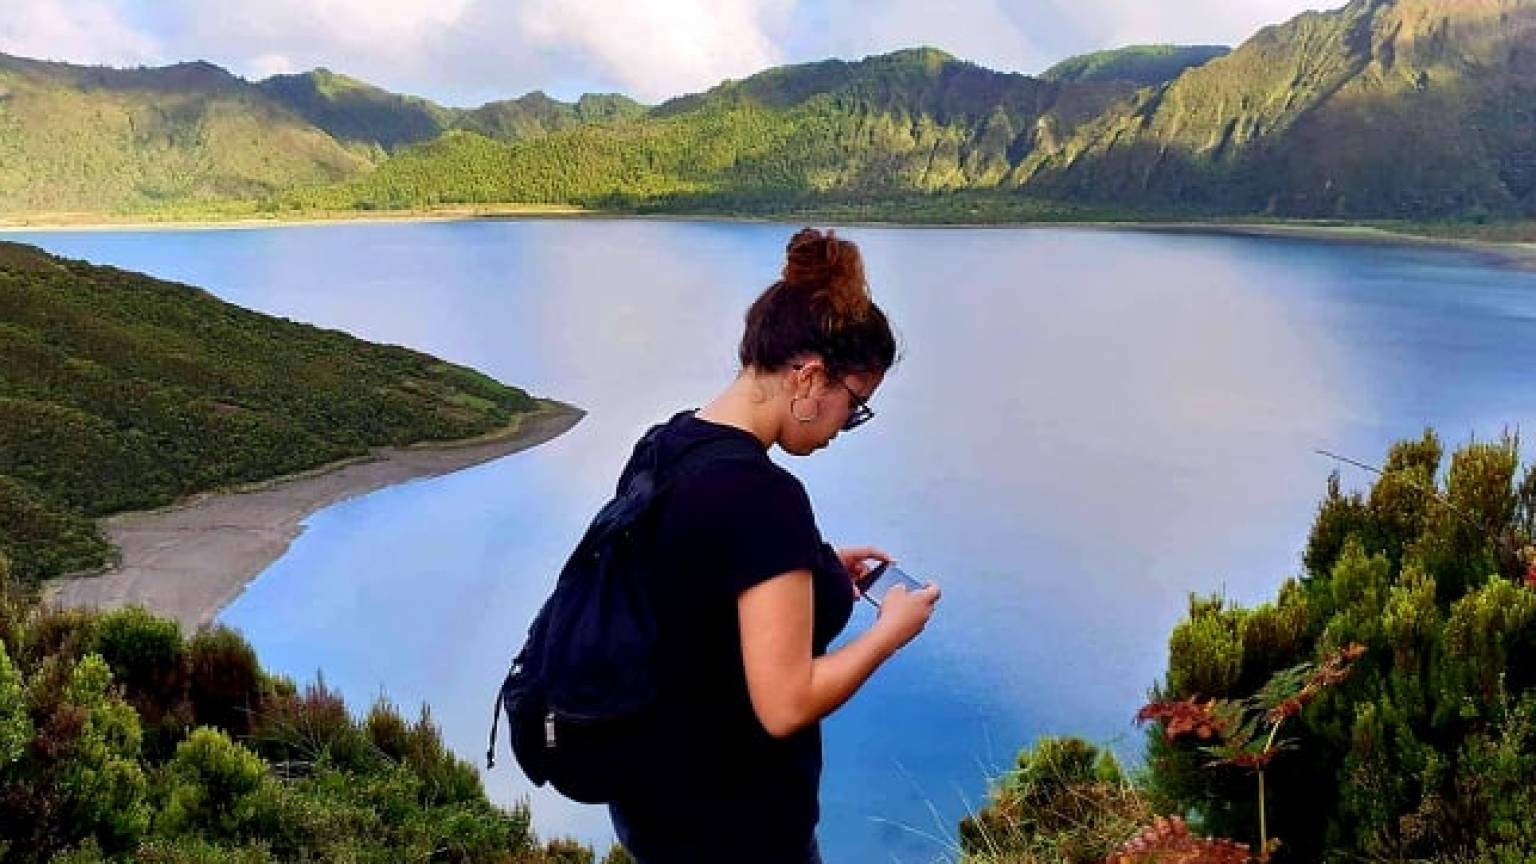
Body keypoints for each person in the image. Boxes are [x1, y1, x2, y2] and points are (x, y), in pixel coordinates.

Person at [606, 228, 942, 863]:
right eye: (857, 405)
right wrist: (889, 634)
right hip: (740, 830)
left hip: (654, 809)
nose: (850, 425)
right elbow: (786, 705)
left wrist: (815, 570)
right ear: (811, 377)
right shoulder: (764, 497)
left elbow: (699, 599)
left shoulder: (664, 446)